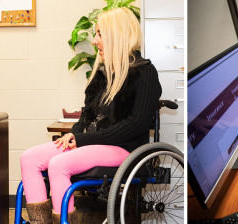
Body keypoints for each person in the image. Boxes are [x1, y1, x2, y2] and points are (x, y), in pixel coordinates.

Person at [18, 7, 161, 223]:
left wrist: (82, 139)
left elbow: (136, 125)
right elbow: (86, 117)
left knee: (59, 164)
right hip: (93, 144)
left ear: (117, 36)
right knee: (29, 159)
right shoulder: (102, 75)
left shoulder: (144, 73)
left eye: (100, 34)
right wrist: (73, 135)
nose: (95, 41)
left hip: (125, 149)